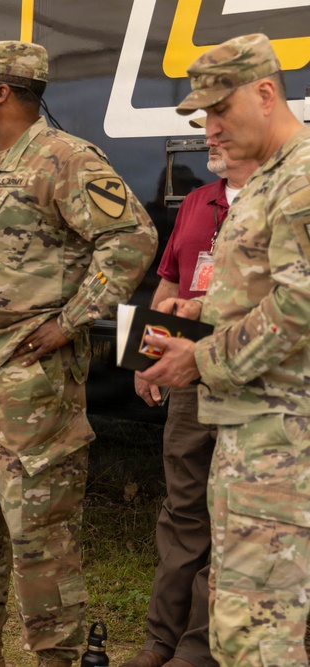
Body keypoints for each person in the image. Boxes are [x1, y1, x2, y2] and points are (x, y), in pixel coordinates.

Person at [0, 41, 156, 667]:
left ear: (2, 91)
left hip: (31, 382)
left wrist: (73, 320)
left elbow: (131, 238)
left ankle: (55, 655)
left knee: (39, 529)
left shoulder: (65, 158)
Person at [140, 33, 310, 667]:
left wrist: (201, 356)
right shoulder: (268, 181)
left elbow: (301, 306)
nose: (208, 128)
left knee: (260, 634)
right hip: (247, 434)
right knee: (239, 625)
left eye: (219, 110)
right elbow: (260, 288)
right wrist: (199, 313)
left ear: (266, 93)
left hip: (281, 445)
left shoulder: (300, 179)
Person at [124, 123, 259, 667]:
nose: (209, 141)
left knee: (230, 515)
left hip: (247, 380)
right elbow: (171, 285)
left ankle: (200, 648)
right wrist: (147, 362)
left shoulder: (282, 201)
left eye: (222, 131)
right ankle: (162, 639)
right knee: (183, 509)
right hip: (188, 379)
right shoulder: (198, 201)